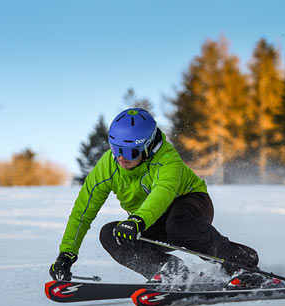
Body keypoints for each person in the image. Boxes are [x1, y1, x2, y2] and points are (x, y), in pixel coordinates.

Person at [49, 107, 262, 287]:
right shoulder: (108, 166)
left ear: (149, 146)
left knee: (177, 224)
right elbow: (82, 213)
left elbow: (162, 194)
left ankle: (241, 263)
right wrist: (66, 255)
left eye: (130, 151)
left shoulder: (167, 158)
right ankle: (170, 271)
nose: (121, 157)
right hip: (148, 220)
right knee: (110, 234)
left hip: (190, 202)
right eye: (116, 149)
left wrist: (137, 221)